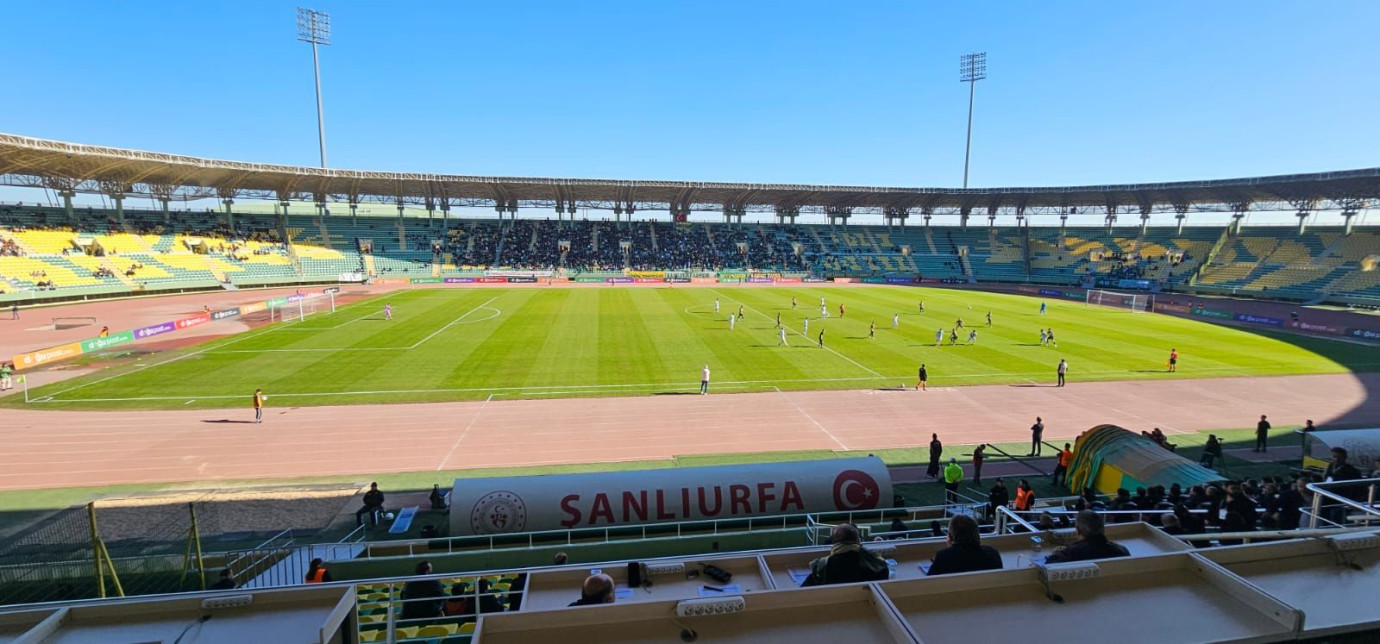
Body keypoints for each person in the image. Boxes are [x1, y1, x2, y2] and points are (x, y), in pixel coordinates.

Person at [799, 523, 890, 587]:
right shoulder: (874, 562)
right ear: (858, 540)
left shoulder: (821, 566)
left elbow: (804, 590)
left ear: (834, 543)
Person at [926, 515, 1003, 576]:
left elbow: (928, 583)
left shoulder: (943, 557)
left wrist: (947, 553)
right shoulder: (992, 554)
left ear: (950, 536)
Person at [1045, 510, 1130, 563]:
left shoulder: (1069, 553)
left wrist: (1055, 554)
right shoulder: (1121, 550)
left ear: (1078, 531)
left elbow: (1048, 568)